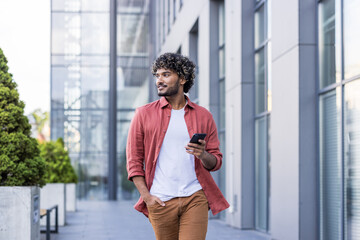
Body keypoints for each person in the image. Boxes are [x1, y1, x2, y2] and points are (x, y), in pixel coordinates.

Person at [126, 52, 229, 240]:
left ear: (182, 78)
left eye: (166, 74)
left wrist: (203, 154)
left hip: (195, 196)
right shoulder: (143, 114)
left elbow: (216, 162)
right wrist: (147, 198)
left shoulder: (203, 115)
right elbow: (134, 162)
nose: (159, 80)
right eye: (157, 75)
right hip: (160, 199)